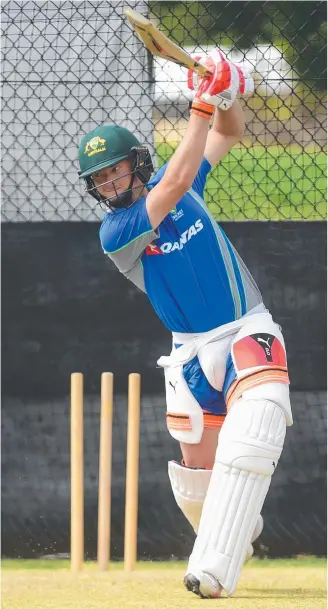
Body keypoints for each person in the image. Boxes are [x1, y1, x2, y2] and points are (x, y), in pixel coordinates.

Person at [78, 49, 292, 598]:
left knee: (258, 422)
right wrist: (200, 101)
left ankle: (215, 568)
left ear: (137, 163)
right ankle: (234, 533)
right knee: (196, 481)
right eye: (98, 179)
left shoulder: (185, 180)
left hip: (246, 324)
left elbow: (230, 131)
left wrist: (223, 93)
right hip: (191, 352)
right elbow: (171, 186)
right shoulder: (118, 232)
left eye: (114, 170)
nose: (107, 184)